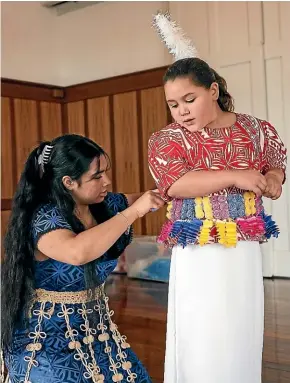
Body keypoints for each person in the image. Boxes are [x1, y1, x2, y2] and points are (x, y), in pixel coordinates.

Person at [148, 13, 287, 383]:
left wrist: (273, 178)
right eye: (174, 104)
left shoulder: (256, 129)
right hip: (198, 246)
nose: (182, 111)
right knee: (202, 326)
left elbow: (275, 162)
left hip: (242, 246)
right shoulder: (168, 140)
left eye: (189, 99)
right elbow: (175, 182)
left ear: (213, 90)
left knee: (240, 323)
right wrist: (237, 175)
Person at [1, 134, 164, 383]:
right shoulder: (44, 217)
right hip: (46, 340)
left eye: (105, 173)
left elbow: (146, 198)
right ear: (68, 182)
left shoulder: (103, 205)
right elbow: (78, 253)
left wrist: (172, 191)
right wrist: (135, 211)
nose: (107, 181)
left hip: (95, 332)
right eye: (96, 176)